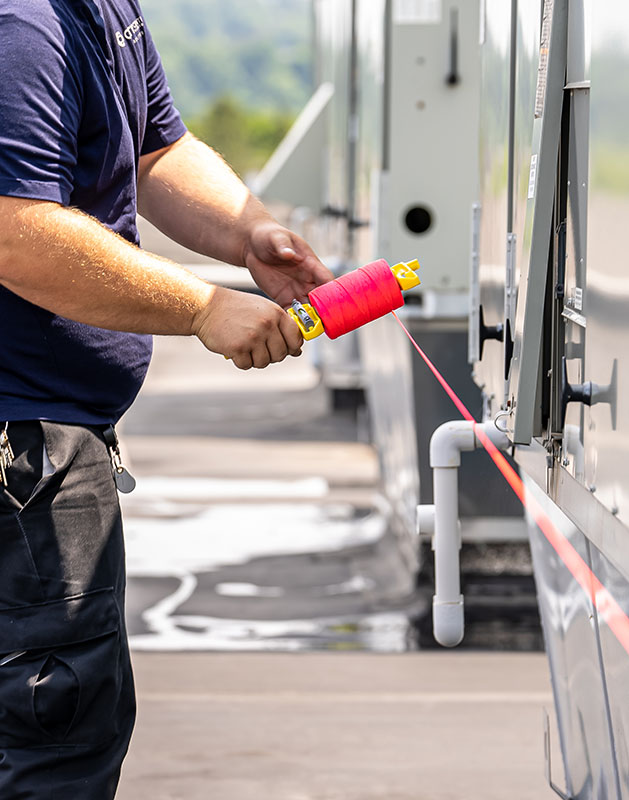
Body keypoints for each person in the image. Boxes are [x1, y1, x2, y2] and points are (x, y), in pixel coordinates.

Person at [0, 0, 334, 796]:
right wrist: (202, 306)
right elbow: (16, 230)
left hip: (55, 437)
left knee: (69, 720)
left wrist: (249, 233)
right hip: (18, 448)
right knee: (50, 742)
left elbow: (156, 150)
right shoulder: (24, 28)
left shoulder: (100, 8)